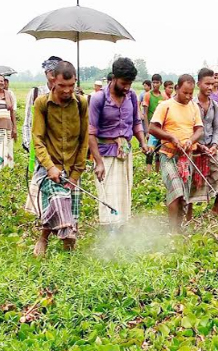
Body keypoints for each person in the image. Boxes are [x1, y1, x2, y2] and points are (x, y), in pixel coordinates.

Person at [31, 61, 88, 257]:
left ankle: (68, 258)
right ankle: (44, 239)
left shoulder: (82, 103)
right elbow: (37, 139)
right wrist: (49, 167)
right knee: (60, 204)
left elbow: (84, 140)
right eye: (62, 85)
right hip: (51, 167)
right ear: (53, 80)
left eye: (71, 85)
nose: (67, 90)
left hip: (73, 166)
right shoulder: (41, 103)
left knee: (71, 213)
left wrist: (75, 175)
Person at [88, 57, 149, 229]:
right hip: (105, 154)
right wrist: (98, 162)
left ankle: (121, 230)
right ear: (113, 78)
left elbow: (136, 122)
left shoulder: (131, 96)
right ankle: (110, 233)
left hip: (125, 152)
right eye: (123, 83)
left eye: (130, 83)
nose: (127, 87)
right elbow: (91, 133)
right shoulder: (99, 99)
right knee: (108, 194)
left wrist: (143, 143)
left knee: (123, 194)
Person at [149, 74, 204, 231]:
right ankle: (173, 231)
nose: (188, 96)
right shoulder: (165, 106)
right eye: (184, 92)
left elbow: (199, 129)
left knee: (184, 196)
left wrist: (190, 140)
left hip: (186, 157)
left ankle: (179, 228)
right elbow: (152, 128)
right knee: (176, 192)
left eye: (190, 93)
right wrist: (171, 137)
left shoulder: (193, 107)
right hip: (168, 155)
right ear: (177, 88)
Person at [186, 68, 218, 220]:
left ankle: (217, 207)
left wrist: (214, 145)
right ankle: (188, 214)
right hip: (194, 150)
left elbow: (217, 128)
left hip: (210, 149)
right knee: (191, 182)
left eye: (213, 84)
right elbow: (187, 129)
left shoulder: (215, 106)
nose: (210, 87)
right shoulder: (191, 105)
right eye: (207, 84)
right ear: (198, 83)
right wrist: (197, 144)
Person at [23, 56, 62, 217]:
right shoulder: (36, 92)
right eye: (52, 73)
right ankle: (37, 211)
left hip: (59, 144)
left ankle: (54, 211)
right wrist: (27, 141)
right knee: (40, 174)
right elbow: (27, 120)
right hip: (40, 142)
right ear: (46, 73)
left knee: (57, 176)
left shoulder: (67, 92)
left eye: (58, 73)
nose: (54, 77)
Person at [143, 74, 169, 173]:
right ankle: (148, 174)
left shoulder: (164, 97)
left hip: (161, 129)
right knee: (150, 152)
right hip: (151, 127)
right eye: (153, 82)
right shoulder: (148, 95)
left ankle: (157, 173)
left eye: (157, 82)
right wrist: (147, 130)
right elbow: (145, 114)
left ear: (160, 83)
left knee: (159, 152)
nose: (155, 84)